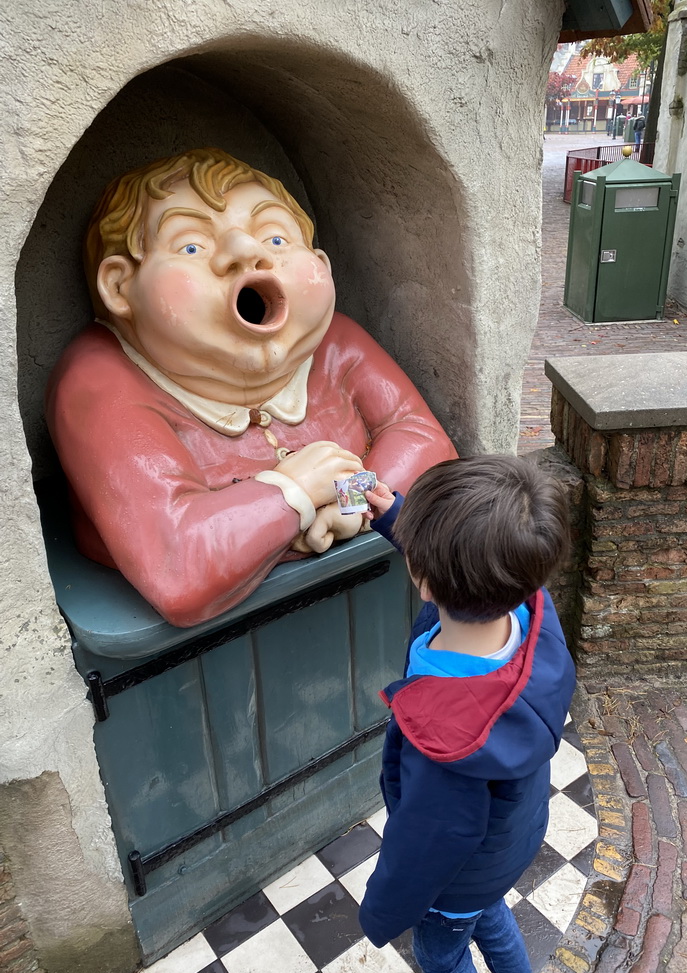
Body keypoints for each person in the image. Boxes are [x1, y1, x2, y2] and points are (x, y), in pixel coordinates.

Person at [45, 148, 456, 626]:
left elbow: (425, 439)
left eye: (277, 238)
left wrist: (355, 499)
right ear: (120, 287)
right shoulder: (98, 385)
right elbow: (179, 565)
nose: (246, 251)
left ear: (319, 263)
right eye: (191, 247)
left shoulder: (334, 341)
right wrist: (293, 496)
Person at [358, 455, 576, 973]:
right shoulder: (533, 611)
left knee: (444, 958)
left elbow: (424, 844)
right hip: (509, 843)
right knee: (491, 914)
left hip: (456, 875)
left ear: (425, 582)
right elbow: (484, 561)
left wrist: (381, 910)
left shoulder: (447, 735)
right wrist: (399, 518)